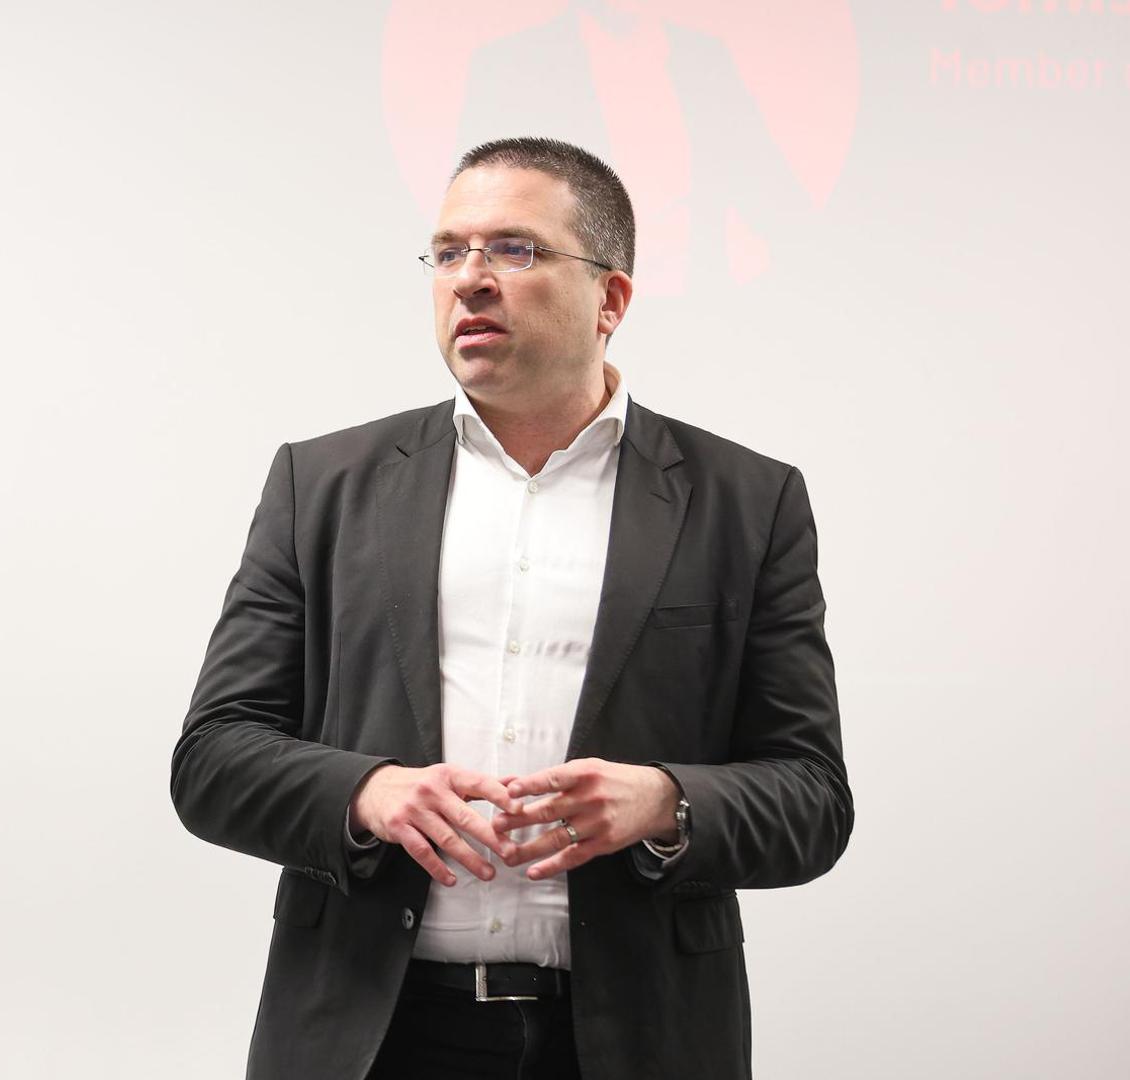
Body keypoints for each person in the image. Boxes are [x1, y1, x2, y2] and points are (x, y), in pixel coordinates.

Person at [170, 136, 853, 1080]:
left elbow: (812, 798)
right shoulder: (322, 486)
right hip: (370, 1035)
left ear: (611, 299)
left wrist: (665, 801)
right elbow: (212, 758)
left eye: (515, 249)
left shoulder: (745, 502)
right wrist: (367, 793)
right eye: (449, 251)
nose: (470, 279)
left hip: (637, 1039)